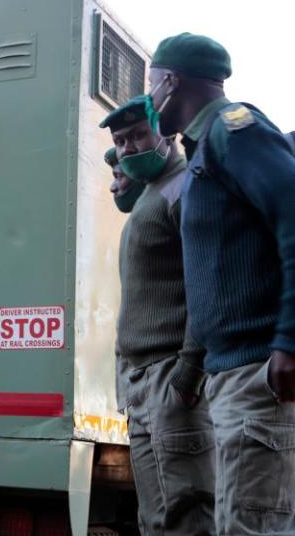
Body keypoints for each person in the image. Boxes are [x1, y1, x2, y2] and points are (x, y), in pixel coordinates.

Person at [148, 32, 295, 534]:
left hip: (258, 374)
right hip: (235, 374)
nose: (149, 99)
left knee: (252, 526)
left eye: (151, 84)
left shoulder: (234, 132)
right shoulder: (203, 149)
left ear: (170, 81)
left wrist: (289, 340)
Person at [101, 98, 215, 535]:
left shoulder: (184, 186)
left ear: (164, 132)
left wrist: (188, 372)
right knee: (155, 518)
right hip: (142, 382)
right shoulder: (150, 192)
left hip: (171, 376)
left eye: (138, 136)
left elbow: (206, 282)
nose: (128, 148)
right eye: (120, 141)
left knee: (189, 514)